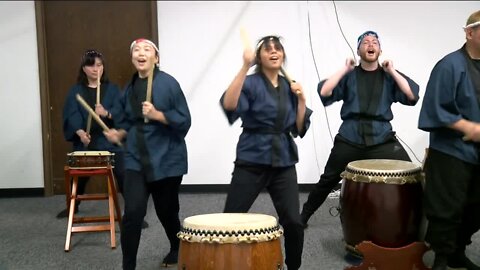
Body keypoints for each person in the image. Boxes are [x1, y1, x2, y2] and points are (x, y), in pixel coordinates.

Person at [300, 31, 420, 229]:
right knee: (329, 178)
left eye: (374, 42)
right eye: (365, 42)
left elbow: (411, 95)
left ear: (380, 50)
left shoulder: (389, 76)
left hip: (381, 138)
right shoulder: (350, 76)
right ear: (358, 50)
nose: (370, 44)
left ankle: (415, 220)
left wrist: (393, 71)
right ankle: (303, 215)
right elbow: (324, 91)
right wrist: (345, 69)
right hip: (350, 137)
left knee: (410, 175)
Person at [220, 35, 312, 270]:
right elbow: (230, 104)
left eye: (278, 48)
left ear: (282, 55)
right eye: (267, 49)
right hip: (251, 158)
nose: (273, 51)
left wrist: (301, 101)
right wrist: (244, 66)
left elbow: (299, 128)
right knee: (230, 220)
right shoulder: (250, 83)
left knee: (294, 222)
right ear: (259, 58)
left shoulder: (290, 86)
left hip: (283, 161)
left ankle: (293, 267)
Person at [104, 38, 191, 270]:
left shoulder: (169, 84)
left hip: (166, 158)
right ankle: (128, 265)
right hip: (136, 158)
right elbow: (129, 123)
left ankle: (176, 245)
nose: (141, 53)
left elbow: (185, 121)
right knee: (132, 213)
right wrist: (119, 134)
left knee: (167, 211)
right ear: (133, 58)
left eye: (147, 49)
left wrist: (158, 115)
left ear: (157, 58)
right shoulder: (130, 88)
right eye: (136, 50)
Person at [418, 10, 480, 270]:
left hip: (477, 153)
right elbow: (436, 108)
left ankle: (457, 251)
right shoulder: (450, 65)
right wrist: (469, 126)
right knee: (448, 210)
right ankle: (441, 259)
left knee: (475, 208)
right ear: (469, 33)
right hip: (452, 151)